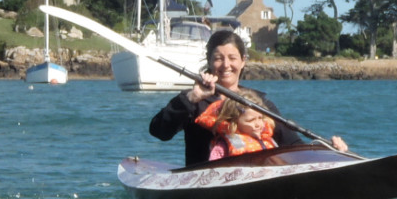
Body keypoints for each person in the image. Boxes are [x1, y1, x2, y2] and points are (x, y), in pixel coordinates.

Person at [149, 29, 348, 165]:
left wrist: (326, 149)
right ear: (209, 62)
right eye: (218, 58)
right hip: (208, 184)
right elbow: (159, 131)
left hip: (254, 180)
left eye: (232, 58)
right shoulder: (195, 101)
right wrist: (192, 96)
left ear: (243, 61)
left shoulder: (260, 103)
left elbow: (292, 144)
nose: (226, 65)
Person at [194, 88, 278, 160]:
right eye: (250, 120)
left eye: (260, 118)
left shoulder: (267, 139)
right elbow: (214, 168)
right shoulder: (222, 146)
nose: (258, 124)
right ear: (234, 122)